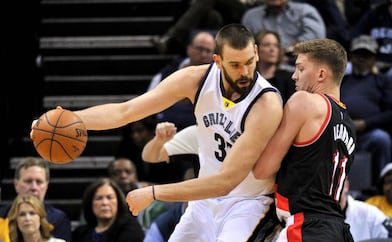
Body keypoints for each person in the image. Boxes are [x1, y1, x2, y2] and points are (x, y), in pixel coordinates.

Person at [32, 23, 284, 241]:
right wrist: (66, 120)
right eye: (235, 64)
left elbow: (226, 181)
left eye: (250, 62)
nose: (245, 72)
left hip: (246, 205)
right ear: (217, 61)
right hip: (204, 204)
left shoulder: (266, 104)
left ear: (256, 52)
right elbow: (126, 111)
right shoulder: (195, 80)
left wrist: (155, 192)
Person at [252, 38, 356, 241]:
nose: (293, 75)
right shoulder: (349, 124)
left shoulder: (304, 102)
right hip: (337, 230)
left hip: (306, 227)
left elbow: (262, 169)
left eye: (300, 68)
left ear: (321, 74)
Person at [341, 35, 392, 184]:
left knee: (381, 139)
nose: (362, 59)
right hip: (342, 131)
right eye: (358, 55)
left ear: (374, 59)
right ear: (351, 57)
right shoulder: (341, 81)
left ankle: (380, 185)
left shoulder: (384, 81)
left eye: (367, 55)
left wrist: (365, 123)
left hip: (369, 133)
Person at [147, 31, 215, 131]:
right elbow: (149, 103)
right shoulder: (166, 73)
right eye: (200, 49)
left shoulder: (217, 78)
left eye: (208, 51)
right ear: (189, 49)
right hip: (166, 130)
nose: (203, 55)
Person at [350, 0, 392, 101]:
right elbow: (353, 40)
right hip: (372, 64)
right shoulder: (376, 12)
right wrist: (369, 63)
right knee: (346, 68)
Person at [0, 157, 72, 242]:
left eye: (39, 182)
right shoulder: (1, 216)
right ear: (16, 184)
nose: (34, 187)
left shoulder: (59, 219)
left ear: (46, 185)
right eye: (28, 181)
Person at [241, 0, 326, 65]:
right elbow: (245, 47)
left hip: (297, 68)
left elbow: (316, 42)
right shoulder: (251, 17)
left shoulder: (305, 11)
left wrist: (286, 51)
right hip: (263, 71)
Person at [72, 178, 145, 242]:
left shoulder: (130, 229)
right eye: (99, 198)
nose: (104, 203)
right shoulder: (80, 233)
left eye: (110, 197)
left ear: (118, 201)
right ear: (90, 203)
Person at [254, 30, 296, 104]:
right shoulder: (249, 80)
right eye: (267, 45)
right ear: (256, 49)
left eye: (276, 46)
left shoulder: (289, 79)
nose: (272, 49)